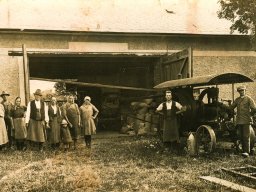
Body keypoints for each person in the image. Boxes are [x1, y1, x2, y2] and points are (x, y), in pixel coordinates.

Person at [229, 85, 256, 157]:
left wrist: (250, 114)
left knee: (246, 136)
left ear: (245, 91)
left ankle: (247, 152)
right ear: (239, 92)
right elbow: (231, 107)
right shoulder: (237, 100)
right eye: (240, 91)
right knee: (240, 136)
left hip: (246, 120)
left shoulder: (249, 99)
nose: (241, 92)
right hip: (239, 121)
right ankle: (243, 150)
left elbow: (254, 108)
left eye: (243, 91)